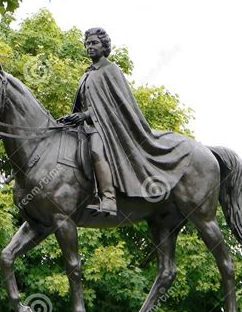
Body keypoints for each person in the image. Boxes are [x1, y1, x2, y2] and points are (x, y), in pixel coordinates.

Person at [59, 27, 193, 216]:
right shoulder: (87, 74)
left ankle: (109, 199)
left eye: (94, 43)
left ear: (104, 46)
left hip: (106, 127)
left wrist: (86, 115)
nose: (90, 46)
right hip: (86, 127)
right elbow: (82, 105)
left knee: (97, 151)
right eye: (87, 43)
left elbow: (116, 107)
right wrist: (73, 118)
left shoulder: (110, 70)